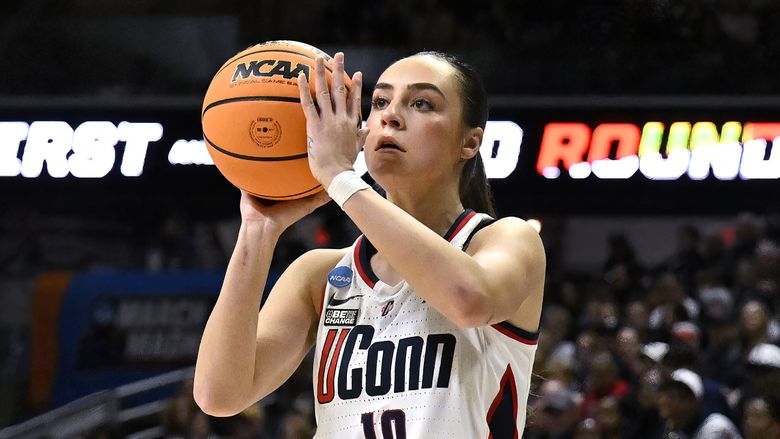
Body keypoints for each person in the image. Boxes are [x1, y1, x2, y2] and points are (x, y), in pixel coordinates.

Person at [193, 50, 546, 438]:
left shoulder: (506, 240)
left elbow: (469, 300)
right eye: (380, 102)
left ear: (469, 142)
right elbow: (219, 394)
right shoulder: (320, 274)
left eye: (421, 103)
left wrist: (341, 178)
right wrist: (258, 231)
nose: (390, 115)